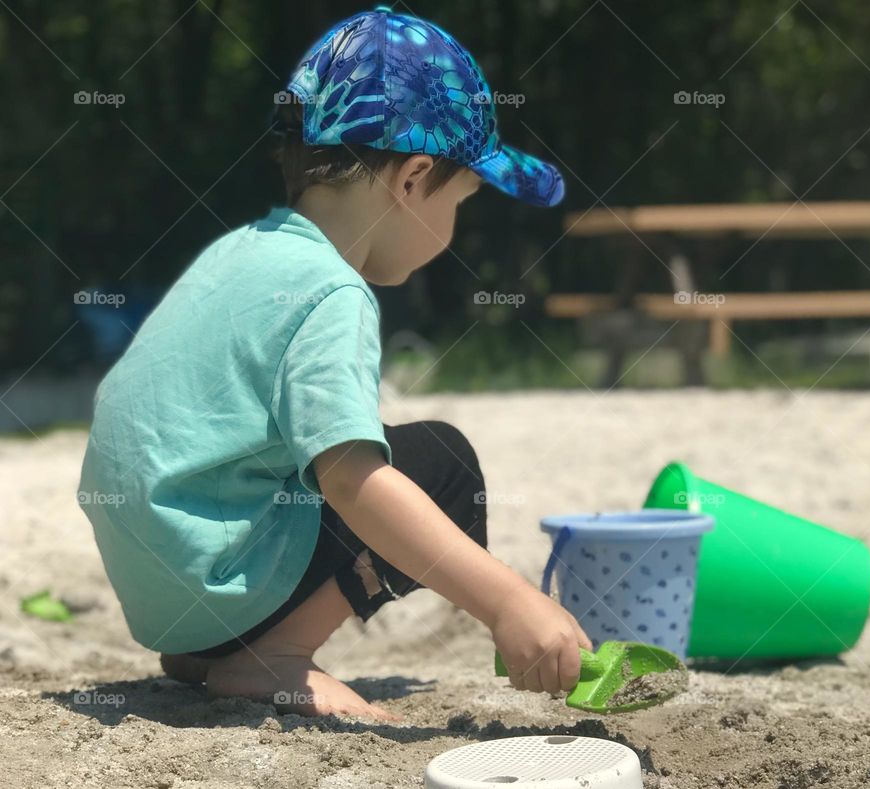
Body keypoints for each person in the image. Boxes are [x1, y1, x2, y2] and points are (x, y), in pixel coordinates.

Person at [78, 5, 589, 721]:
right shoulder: (331, 290)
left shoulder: (238, 252)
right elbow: (352, 482)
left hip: (159, 588)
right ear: (413, 179)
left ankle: (211, 649)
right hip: (223, 580)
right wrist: (509, 599)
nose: (457, 223)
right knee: (443, 465)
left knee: (334, 453)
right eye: (464, 197)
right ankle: (270, 654)